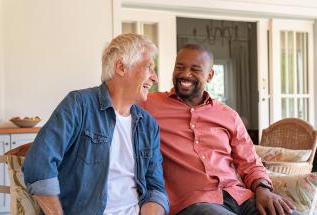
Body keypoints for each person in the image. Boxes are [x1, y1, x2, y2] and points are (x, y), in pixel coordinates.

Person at [141, 44, 300, 215]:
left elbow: (250, 162)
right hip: (194, 203)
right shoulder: (149, 104)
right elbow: (117, 100)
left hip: (240, 197)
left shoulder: (228, 115)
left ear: (210, 76)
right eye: (180, 67)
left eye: (195, 69)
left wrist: (264, 189)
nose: (185, 74)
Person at [22, 33, 169, 215]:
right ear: (121, 67)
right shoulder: (79, 105)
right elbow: (39, 164)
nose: (155, 78)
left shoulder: (148, 125)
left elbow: (155, 187)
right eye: (149, 68)